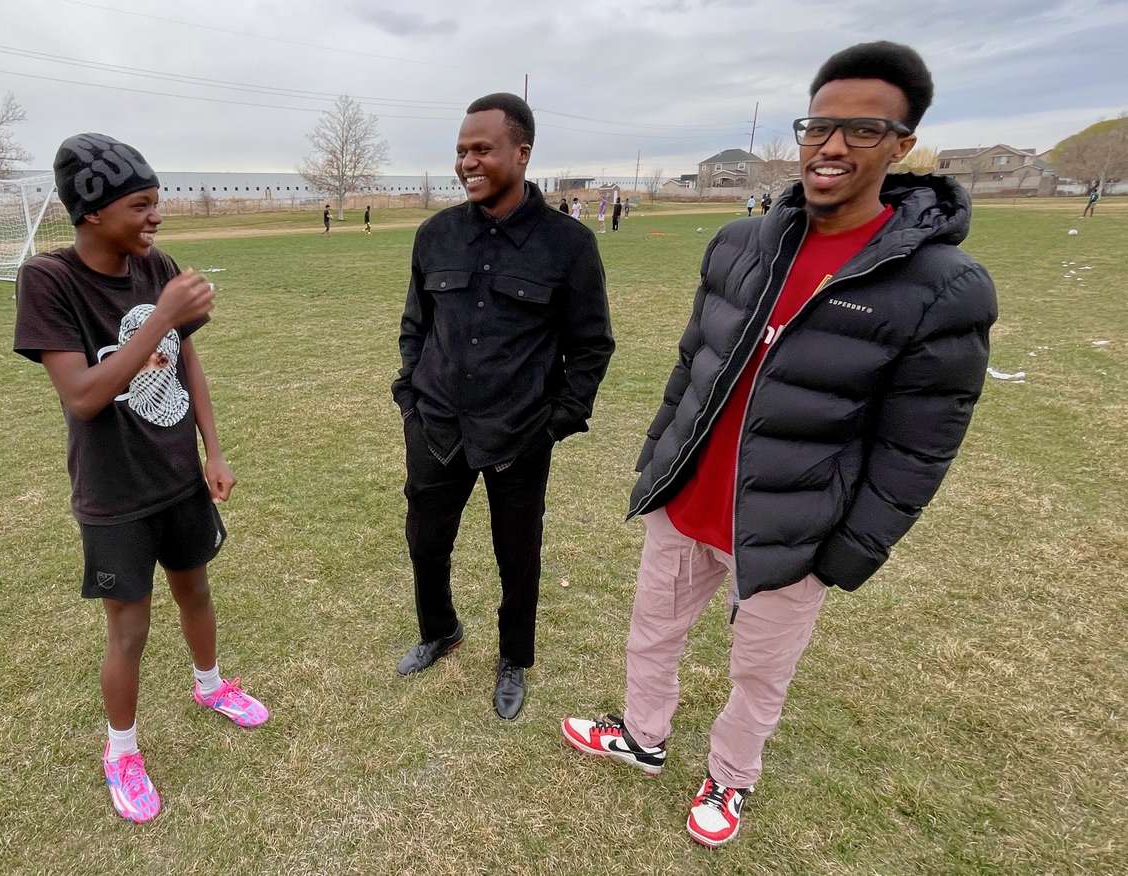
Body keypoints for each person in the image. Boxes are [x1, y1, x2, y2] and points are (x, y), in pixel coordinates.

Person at [562, 41, 996, 849]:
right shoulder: (739, 242)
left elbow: (919, 448)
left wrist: (851, 550)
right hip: (686, 500)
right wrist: (658, 457)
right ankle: (643, 736)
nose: (831, 147)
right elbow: (691, 363)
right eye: (818, 126)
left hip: (790, 529)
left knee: (758, 675)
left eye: (861, 130)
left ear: (902, 145)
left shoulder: (943, 285)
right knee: (651, 632)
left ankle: (729, 781)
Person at [13, 133, 268, 825]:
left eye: (157, 202)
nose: (156, 218)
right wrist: (160, 316)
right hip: (113, 492)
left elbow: (186, 363)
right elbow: (84, 396)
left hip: (178, 476)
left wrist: (213, 450)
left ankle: (210, 686)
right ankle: (120, 750)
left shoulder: (159, 265)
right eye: (141, 205)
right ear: (92, 212)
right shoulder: (50, 280)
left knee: (196, 589)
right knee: (128, 627)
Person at [392, 93, 614, 720]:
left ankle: (514, 657)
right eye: (462, 149)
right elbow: (416, 323)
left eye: (482, 148)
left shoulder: (568, 244)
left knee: (516, 555)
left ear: (521, 152)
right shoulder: (435, 234)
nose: (468, 160)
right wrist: (410, 391)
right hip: (435, 425)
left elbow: (592, 344)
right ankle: (439, 629)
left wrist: (558, 419)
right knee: (426, 541)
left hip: (520, 433)